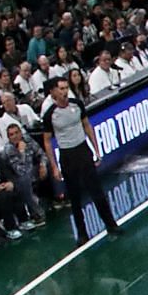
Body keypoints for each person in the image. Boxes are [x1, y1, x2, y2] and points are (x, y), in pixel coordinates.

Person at [40, 78, 120, 244]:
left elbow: (87, 125)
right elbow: (47, 141)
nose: (64, 92)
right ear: (53, 92)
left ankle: (111, 224)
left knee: (96, 190)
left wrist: (96, 149)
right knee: (75, 196)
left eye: (66, 88)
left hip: (83, 150)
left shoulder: (77, 104)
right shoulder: (49, 115)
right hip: (67, 155)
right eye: (61, 89)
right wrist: (54, 166)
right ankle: (82, 233)